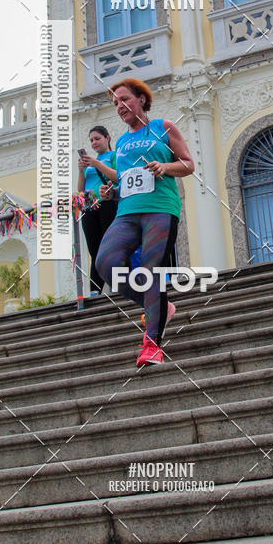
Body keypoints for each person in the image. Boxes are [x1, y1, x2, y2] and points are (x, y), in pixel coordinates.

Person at [96, 78, 194, 366]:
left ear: (141, 99)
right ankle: (162, 306)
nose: (120, 106)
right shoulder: (123, 141)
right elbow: (126, 178)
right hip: (126, 212)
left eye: (124, 99)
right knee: (106, 263)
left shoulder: (163, 127)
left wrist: (165, 166)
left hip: (160, 209)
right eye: (115, 103)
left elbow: (187, 164)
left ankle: (152, 345)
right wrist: (111, 191)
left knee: (151, 271)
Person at [77, 126, 118, 296]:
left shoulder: (114, 156)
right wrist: (81, 170)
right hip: (89, 206)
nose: (94, 142)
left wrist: (97, 164)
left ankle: (117, 284)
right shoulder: (89, 164)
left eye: (97, 138)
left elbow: (117, 176)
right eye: (91, 140)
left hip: (107, 203)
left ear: (107, 138)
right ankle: (95, 289)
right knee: (94, 250)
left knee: (110, 246)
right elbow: (80, 191)